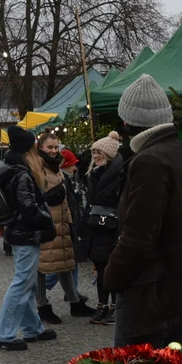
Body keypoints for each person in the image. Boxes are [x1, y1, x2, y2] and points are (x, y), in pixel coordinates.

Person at [105, 75, 182, 348]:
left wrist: (112, 276)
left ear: (128, 121)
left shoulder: (150, 161)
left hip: (148, 292)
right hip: (172, 288)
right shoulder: (180, 153)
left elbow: (139, 235)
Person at [0, 126, 58, 351]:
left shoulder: (10, 168)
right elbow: (28, 208)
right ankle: (3, 335)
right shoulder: (22, 173)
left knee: (26, 282)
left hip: (18, 232)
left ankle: (32, 328)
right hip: (26, 233)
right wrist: (48, 219)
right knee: (21, 283)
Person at [31, 134, 95, 323]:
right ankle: (42, 306)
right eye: (49, 147)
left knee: (67, 263)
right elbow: (37, 195)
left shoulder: (56, 167)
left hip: (63, 222)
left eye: (56, 147)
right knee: (42, 268)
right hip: (47, 223)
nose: (53, 150)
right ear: (40, 148)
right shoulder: (38, 167)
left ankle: (75, 302)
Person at [83, 131, 125, 326]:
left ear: (109, 154)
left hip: (113, 227)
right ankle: (102, 305)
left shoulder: (120, 174)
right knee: (100, 267)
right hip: (96, 226)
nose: (96, 155)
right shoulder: (93, 174)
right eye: (94, 152)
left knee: (113, 267)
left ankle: (115, 307)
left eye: (100, 152)